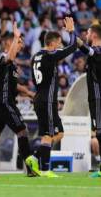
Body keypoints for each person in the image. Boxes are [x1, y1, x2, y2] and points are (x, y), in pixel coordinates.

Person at [0, 23, 39, 178]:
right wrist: (15, 37)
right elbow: (9, 57)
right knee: (22, 129)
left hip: (1, 102)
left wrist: (30, 93)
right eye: (19, 42)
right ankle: (30, 168)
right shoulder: (2, 56)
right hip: (4, 102)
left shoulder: (13, 66)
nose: (21, 45)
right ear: (9, 43)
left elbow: (15, 85)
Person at [31, 17, 77, 178]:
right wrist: (71, 32)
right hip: (46, 100)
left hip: (40, 98)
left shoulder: (36, 56)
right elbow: (73, 46)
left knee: (59, 133)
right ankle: (44, 169)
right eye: (58, 43)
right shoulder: (50, 55)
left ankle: (35, 158)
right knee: (48, 135)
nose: (60, 46)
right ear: (51, 43)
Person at [77, 24, 101, 178]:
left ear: (93, 35)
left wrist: (72, 33)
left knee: (99, 132)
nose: (86, 35)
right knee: (98, 132)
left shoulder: (98, 50)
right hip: (95, 97)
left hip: (98, 97)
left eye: (88, 32)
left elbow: (85, 49)